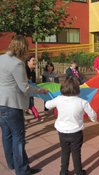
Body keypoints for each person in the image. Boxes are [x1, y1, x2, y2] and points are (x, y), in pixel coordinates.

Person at [0, 36, 49, 175]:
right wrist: (42, 91)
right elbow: (25, 88)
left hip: (0, 104)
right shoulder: (18, 63)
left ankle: (12, 163)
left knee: (6, 134)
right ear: (23, 49)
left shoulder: (1, 58)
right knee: (18, 137)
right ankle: (22, 170)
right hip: (12, 105)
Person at [45, 76, 97, 175]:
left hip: (62, 132)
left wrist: (55, 101)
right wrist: (93, 119)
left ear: (63, 88)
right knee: (76, 153)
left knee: (65, 152)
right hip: (76, 133)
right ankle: (78, 172)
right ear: (77, 89)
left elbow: (47, 105)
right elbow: (93, 115)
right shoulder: (82, 102)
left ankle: (63, 172)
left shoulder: (59, 99)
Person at [25, 56, 44, 122]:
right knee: (22, 107)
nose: (35, 62)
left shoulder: (33, 73)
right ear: (28, 62)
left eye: (35, 60)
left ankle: (38, 117)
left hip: (30, 92)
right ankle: (22, 119)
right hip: (23, 93)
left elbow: (32, 83)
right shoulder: (24, 71)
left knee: (31, 105)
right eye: (33, 60)